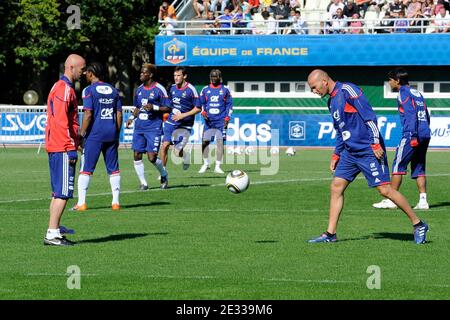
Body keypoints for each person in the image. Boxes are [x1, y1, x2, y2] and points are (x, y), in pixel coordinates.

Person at [306, 69, 428, 244]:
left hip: (368, 149)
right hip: (349, 152)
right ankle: (330, 234)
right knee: (336, 187)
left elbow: (369, 117)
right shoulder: (331, 102)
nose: (314, 91)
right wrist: (336, 154)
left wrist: (375, 142)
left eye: (314, 87)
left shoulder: (348, 90)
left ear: (324, 81)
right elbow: (341, 131)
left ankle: (418, 224)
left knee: (385, 190)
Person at [373, 68, 431, 210]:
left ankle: (391, 200)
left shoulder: (403, 93)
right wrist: (425, 131)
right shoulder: (417, 93)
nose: (389, 82)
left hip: (412, 134)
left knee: (398, 166)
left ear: (397, 80)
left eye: (390, 80)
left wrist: (413, 135)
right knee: (419, 167)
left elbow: (410, 115)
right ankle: (423, 201)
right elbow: (425, 113)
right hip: (425, 133)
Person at [44, 53, 86, 246]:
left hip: (56, 145)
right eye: (82, 69)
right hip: (61, 147)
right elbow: (62, 122)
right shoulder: (65, 90)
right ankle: (52, 234)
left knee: (57, 192)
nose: (83, 73)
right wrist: (71, 146)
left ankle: (55, 228)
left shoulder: (58, 86)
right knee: (63, 192)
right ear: (71, 67)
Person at [71, 62, 123, 212]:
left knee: (86, 169)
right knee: (113, 169)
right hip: (111, 133)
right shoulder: (114, 90)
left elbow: (88, 114)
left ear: (91, 73)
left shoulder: (89, 90)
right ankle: (115, 202)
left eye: (86, 72)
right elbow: (118, 114)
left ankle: (81, 203)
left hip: (95, 134)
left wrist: (81, 134)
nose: (84, 74)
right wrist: (116, 133)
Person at [126, 63, 171, 190]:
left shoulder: (159, 89)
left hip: (153, 127)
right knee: (137, 154)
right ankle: (143, 183)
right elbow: (137, 108)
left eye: (144, 72)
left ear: (150, 75)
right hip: (140, 127)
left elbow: (168, 107)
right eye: (141, 72)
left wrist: (155, 107)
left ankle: (163, 174)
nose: (141, 74)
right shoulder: (139, 89)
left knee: (152, 157)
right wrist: (131, 118)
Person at [160, 67, 201, 180]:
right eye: (174, 76)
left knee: (177, 152)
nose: (176, 78)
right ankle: (163, 172)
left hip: (185, 124)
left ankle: (185, 156)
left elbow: (198, 108)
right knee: (164, 145)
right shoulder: (172, 88)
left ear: (184, 76)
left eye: (178, 75)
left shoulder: (191, 90)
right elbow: (170, 104)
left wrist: (183, 115)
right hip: (171, 121)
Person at [198, 69, 233, 174]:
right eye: (212, 77)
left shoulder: (225, 89)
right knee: (204, 142)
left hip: (221, 121)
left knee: (220, 143)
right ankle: (206, 163)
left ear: (219, 77)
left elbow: (229, 105)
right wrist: (203, 112)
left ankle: (218, 166)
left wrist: (227, 117)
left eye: (215, 76)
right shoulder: (205, 89)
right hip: (209, 121)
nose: (213, 78)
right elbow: (201, 104)